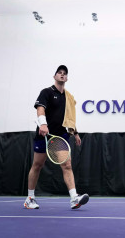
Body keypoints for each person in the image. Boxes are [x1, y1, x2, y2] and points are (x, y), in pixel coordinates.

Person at [24, 65, 89, 209]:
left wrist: (76, 133)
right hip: (44, 134)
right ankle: (30, 198)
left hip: (60, 136)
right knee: (37, 165)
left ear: (67, 78)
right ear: (54, 77)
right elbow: (41, 108)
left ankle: (74, 198)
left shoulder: (68, 97)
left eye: (64, 73)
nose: (62, 75)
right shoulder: (46, 92)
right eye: (59, 73)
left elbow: (70, 118)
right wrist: (43, 124)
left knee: (67, 165)